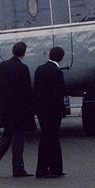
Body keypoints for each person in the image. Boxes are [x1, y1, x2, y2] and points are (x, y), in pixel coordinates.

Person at [0, 42, 34, 177]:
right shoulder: (23, 68)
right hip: (19, 108)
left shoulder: (3, 65)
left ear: (12, 51)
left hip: (6, 106)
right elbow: (26, 91)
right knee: (18, 139)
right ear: (24, 53)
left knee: (6, 135)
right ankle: (18, 168)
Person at [33, 46, 67, 179]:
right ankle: (45, 169)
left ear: (49, 55)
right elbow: (59, 94)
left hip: (42, 110)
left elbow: (36, 90)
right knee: (50, 138)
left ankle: (55, 168)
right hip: (53, 110)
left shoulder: (39, 70)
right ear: (62, 58)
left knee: (49, 137)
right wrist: (61, 109)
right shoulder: (57, 73)